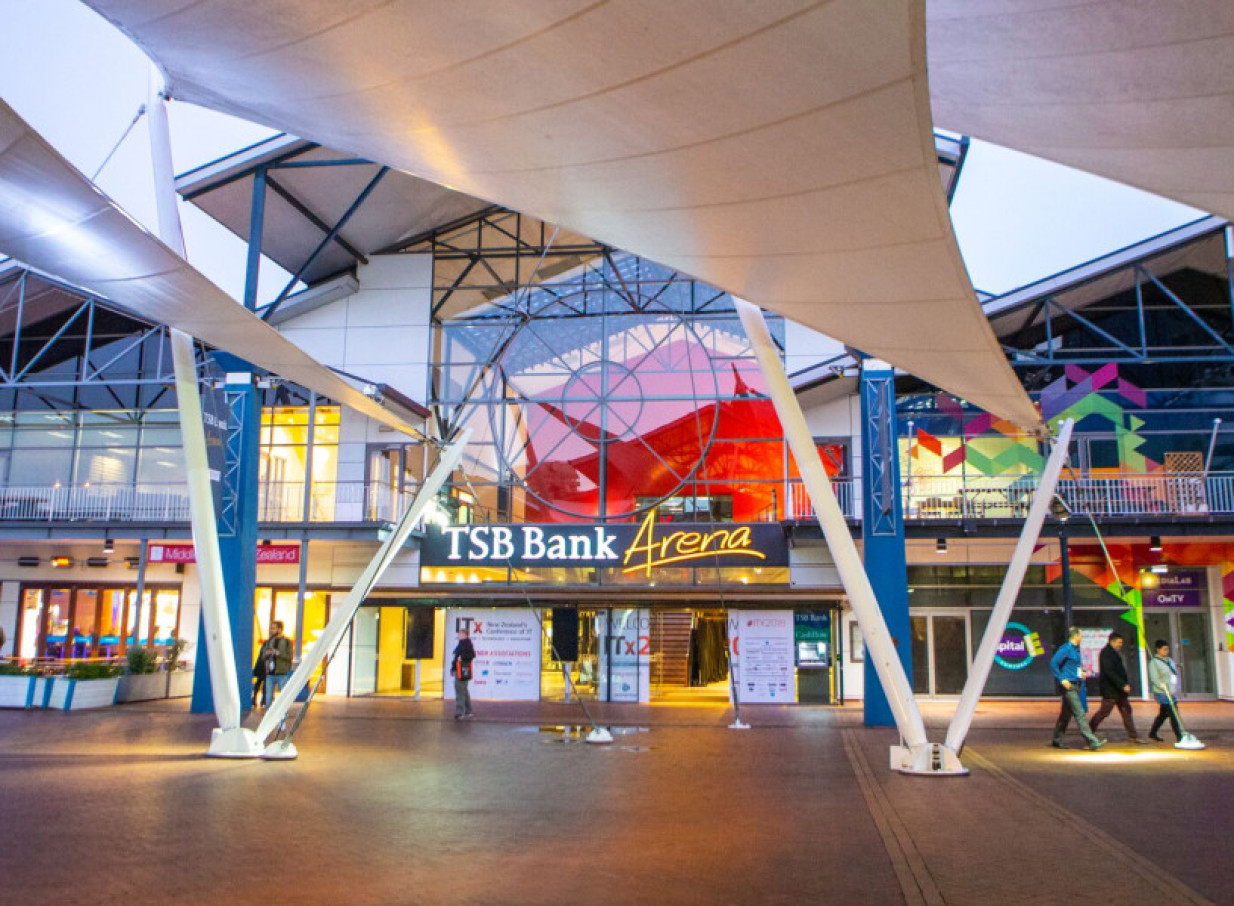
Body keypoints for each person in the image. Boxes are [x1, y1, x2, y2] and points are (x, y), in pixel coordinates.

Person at [1050, 626, 1106, 750]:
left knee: (1065, 715)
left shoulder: (1076, 650)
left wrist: (1082, 673)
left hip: (1076, 684)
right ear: (1075, 636)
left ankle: (1057, 739)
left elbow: (1077, 665)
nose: (1082, 638)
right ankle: (1092, 741)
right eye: (1081, 635)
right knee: (1080, 713)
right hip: (1068, 686)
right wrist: (1061, 679)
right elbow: (1053, 663)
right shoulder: (1065, 649)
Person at [1088, 632, 1142, 742]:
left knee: (1126, 711)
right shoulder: (1106, 653)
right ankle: (1088, 732)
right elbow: (1110, 672)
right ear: (1112, 641)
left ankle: (1133, 736)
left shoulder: (1113, 653)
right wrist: (1122, 684)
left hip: (1119, 691)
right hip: (1111, 690)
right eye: (1119, 642)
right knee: (1103, 712)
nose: (1120, 644)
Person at [1148, 639, 1183, 742]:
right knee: (1173, 714)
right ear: (1158, 650)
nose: (1166, 651)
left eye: (1167, 649)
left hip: (1171, 691)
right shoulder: (1154, 662)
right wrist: (1163, 687)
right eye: (1164, 649)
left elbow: (1173, 674)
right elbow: (1155, 679)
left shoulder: (1170, 660)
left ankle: (1153, 733)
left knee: (1163, 714)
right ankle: (1179, 736)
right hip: (1162, 692)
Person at [258, 621, 293, 708]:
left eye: (273, 628)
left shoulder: (287, 642)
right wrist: (266, 654)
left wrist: (279, 654)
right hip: (270, 673)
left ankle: (282, 717)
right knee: (268, 697)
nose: (271, 630)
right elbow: (262, 656)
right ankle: (269, 717)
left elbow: (289, 657)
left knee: (283, 697)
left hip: (282, 673)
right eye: (270, 628)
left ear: (279, 629)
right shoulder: (268, 642)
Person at [451, 628, 476, 720]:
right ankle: (468, 711)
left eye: (460, 634)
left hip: (461, 670)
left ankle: (459, 712)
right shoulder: (463, 643)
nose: (458, 636)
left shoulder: (466, 643)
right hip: (461, 670)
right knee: (464, 690)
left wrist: (462, 657)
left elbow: (472, 655)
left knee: (460, 691)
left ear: (465, 635)